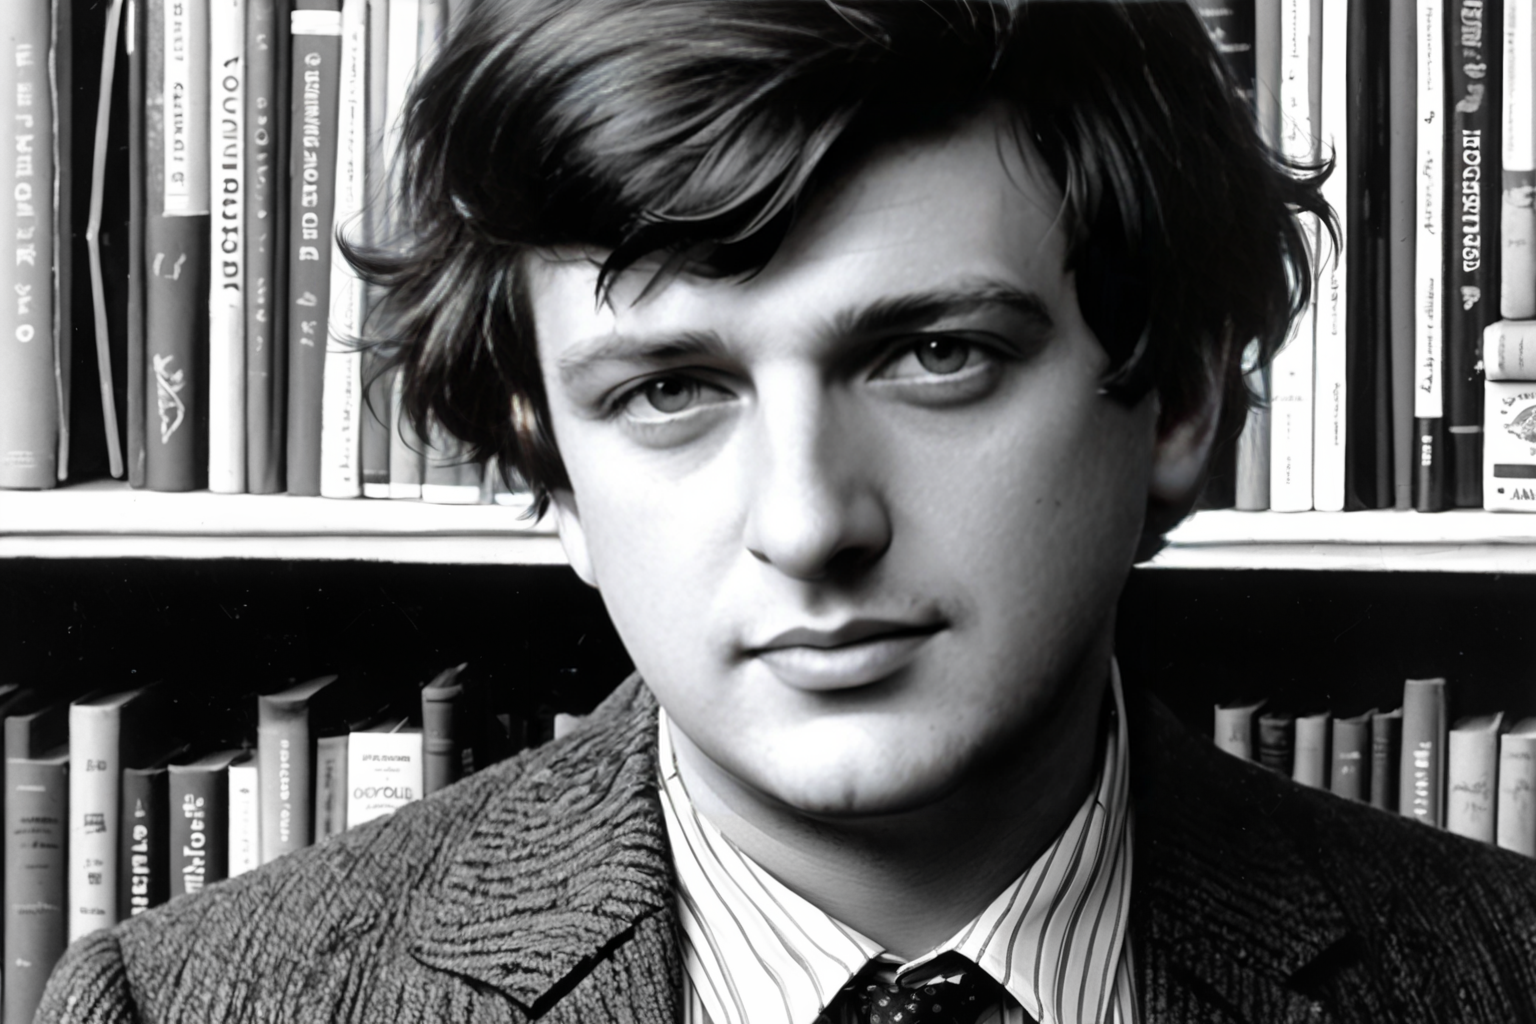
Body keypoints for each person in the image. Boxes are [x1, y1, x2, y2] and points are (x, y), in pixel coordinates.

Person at [38, 2, 1536, 1022]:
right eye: (670, 390)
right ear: (553, 476)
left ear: (1182, 398)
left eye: (935, 356)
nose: (811, 525)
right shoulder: (177, 1009)